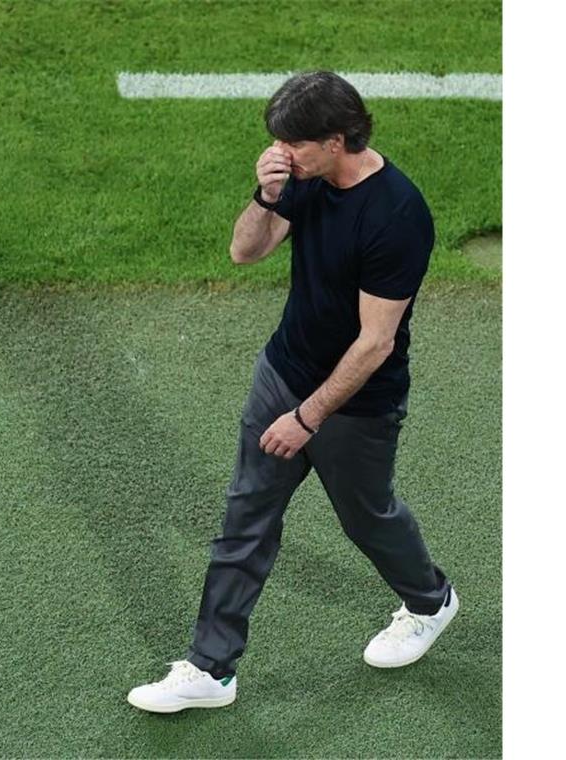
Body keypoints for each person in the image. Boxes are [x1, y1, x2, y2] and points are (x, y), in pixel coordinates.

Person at [127, 71, 458, 714]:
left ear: (337, 140)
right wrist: (266, 192)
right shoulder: (303, 179)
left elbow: (375, 341)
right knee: (244, 519)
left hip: (355, 403)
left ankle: (429, 601)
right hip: (283, 369)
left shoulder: (397, 214)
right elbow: (244, 251)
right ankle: (210, 668)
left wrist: (305, 419)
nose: (284, 153)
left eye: (294, 145)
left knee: (367, 517)